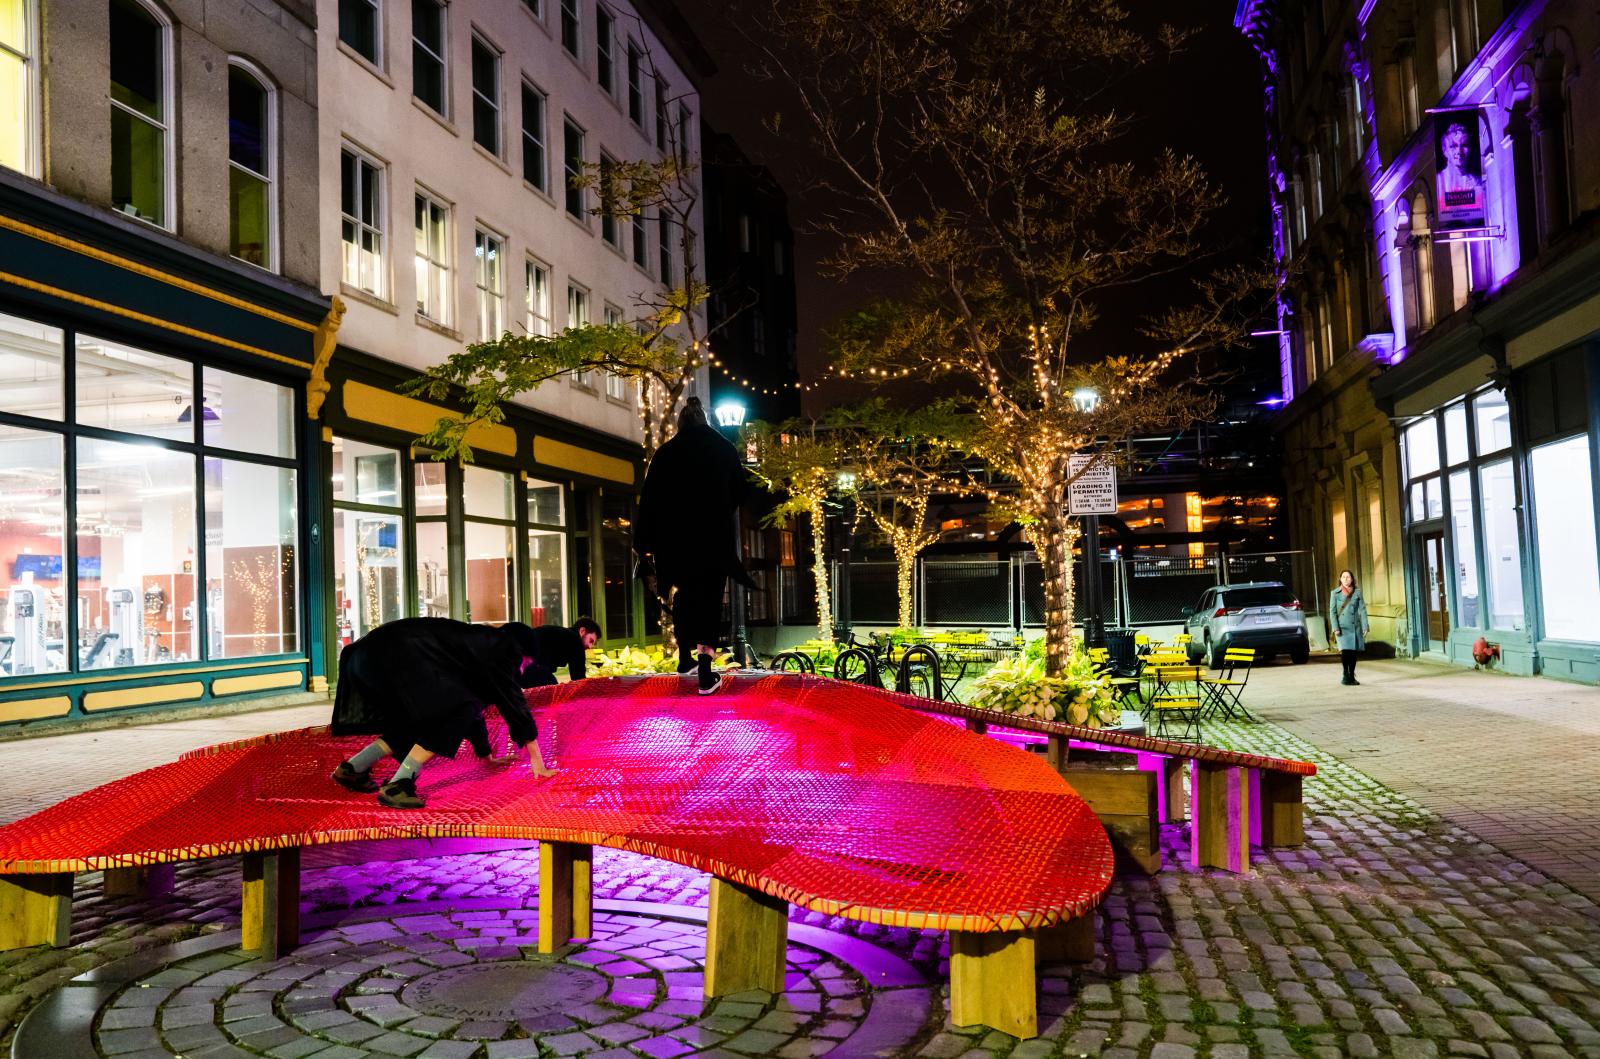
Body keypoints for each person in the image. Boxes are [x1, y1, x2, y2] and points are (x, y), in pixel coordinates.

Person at [329, 618, 558, 809]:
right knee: (452, 712)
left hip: (364, 658)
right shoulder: (503, 646)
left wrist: (485, 757)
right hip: (396, 655)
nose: (521, 671)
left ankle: (352, 768)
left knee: (419, 720)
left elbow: (473, 710)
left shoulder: (471, 649)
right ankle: (400, 784)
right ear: (522, 651)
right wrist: (538, 761)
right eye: (525, 664)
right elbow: (512, 701)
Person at [634, 396, 756, 695]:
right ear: (704, 419)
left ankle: (684, 658)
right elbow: (741, 492)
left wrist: (644, 546)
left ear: (681, 422)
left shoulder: (665, 453)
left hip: (674, 543)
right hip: (712, 539)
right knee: (710, 599)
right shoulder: (723, 449)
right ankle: (704, 671)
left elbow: (649, 501)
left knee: (684, 594)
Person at [504, 617, 602, 687]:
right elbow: (579, 678)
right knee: (553, 692)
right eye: (591, 641)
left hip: (513, 661)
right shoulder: (575, 640)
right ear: (582, 631)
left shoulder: (561, 633)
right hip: (526, 662)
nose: (590, 647)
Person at [1328, 570, 1370, 686]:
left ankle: (1351, 675)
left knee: (1353, 653)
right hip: (1342, 628)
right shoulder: (1335, 593)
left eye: (1348, 577)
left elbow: (1362, 610)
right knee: (1345, 652)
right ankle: (1345, 674)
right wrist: (1335, 627)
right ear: (1340, 579)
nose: (1346, 579)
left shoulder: (1357, 593)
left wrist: (1365, 625)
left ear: (1352, 579)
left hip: (1355, 627)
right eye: (1344, 577)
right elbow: (1332, 612)